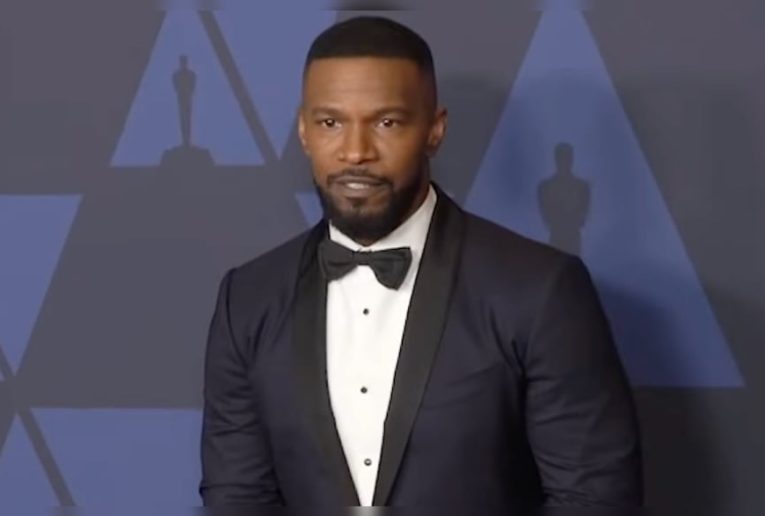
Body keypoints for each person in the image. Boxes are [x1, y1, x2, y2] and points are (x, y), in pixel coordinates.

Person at [199, 16, 642, 509]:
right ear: (303, 131)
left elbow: (594, 497)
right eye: (331, 123)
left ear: (434, 130)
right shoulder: (249, 299)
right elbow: (237, 496)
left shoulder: (539, 290)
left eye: (386, 122)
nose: (355, 152)